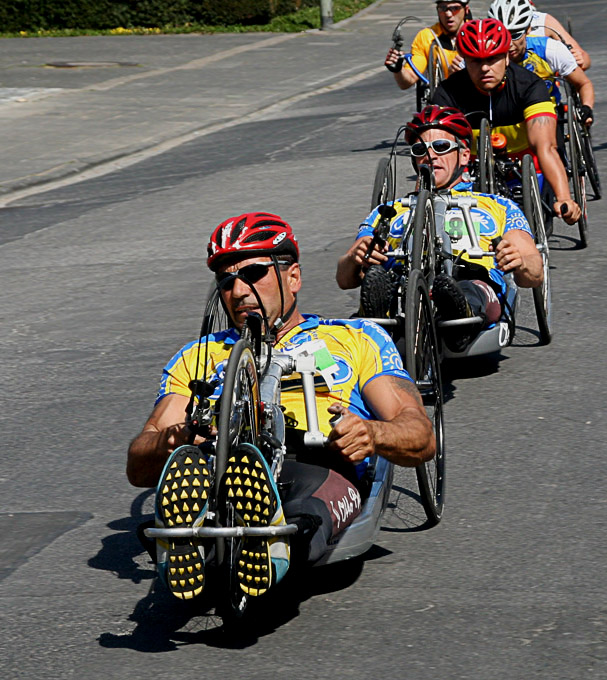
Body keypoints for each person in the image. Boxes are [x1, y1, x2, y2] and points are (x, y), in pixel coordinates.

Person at [127, 213, 434, 600]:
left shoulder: (355, 339)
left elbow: (419, 433)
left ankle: (273, 543)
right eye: (226, 280)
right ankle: (194, 532)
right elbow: (138, 463)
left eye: (254, 273)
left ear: (294, 278)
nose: (238, 291)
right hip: (220, 466)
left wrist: (371, 433)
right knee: (202, 473)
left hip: (318, 463)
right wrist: (173, 439)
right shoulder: (198, 356)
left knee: (306, 504)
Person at [337, 106, 542, 351]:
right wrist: (355, 258)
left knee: (465, 287)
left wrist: (517, 259)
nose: (431, 156)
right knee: (379, 280)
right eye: (420, 150)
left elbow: (534, 271)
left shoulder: (497, 205)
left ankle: (459, 317)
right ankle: (382, 320)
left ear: (464, 155)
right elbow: (344, 278)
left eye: (442, 147)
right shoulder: (390, 210)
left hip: (471, 276)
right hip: (401, 284)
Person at [430, 17, 581, 225]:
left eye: (492, 59)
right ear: (464, 59)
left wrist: (564, 198)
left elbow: (546, 147)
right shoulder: (447, 92)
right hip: (469, 166)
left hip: (523, 163)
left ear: (506, 58)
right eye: (476, 61)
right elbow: (435, 151)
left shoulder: (529, 86)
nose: (485, 68)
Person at [489, 0, 594, 127]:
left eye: (515, 35)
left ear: (528, 30)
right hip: (505, 119)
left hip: (546, 117)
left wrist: (586, 108)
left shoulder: (549, 49)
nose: (509, 44)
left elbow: (583, 83)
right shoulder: (485, 57)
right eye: (503, 35)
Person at [493, 0, 591, 71]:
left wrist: (580, 58)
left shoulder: (543, 21)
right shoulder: (490, 22)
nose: (511, 0)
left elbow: (584, 58)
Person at [384, 0, 471, 91]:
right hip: (444, 99)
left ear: (466, 9)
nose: (448, 14)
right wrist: (398, 70)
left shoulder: (479, 33)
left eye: (455, 8)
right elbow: (407, 81)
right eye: (443, 8)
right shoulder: (426, 37)